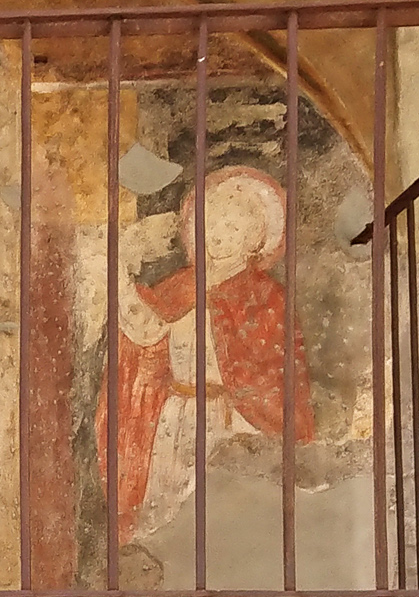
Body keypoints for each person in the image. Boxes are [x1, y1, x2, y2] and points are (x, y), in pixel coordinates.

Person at [98, 166, 314, 547]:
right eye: (212, 221)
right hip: (174, 419)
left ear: (256, 238)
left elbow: (273, 377)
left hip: (228, 422)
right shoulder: (180, 285)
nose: (218, 232)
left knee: (222, 518)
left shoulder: (268, 299)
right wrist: (118, 278)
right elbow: (147, 332)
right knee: (166, 520)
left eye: (233, 225)